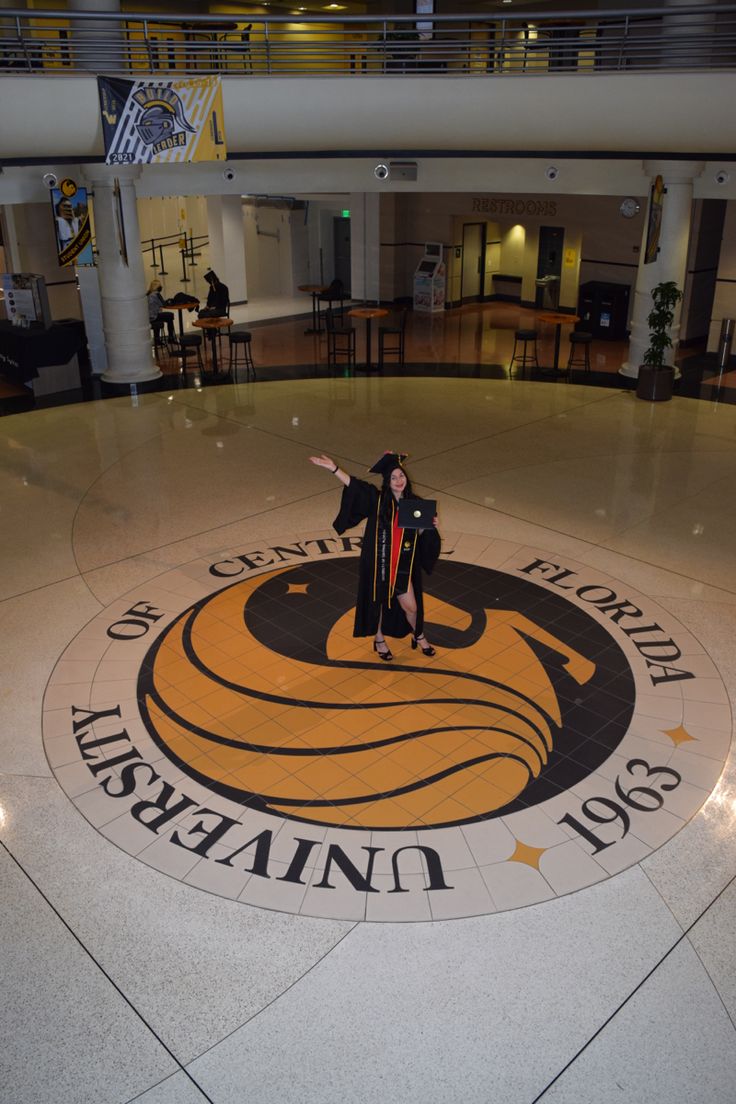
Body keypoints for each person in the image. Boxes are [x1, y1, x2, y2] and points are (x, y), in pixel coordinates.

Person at [309, 450, 440, 660]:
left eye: (402, 476)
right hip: (378, 564)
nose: (399, 481)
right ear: (387, 481)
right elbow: (355, 486)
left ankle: (419, 634)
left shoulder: (415, 504)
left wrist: (429, 527)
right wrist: (334, 469)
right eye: (393, 477)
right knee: (375, 606)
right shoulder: (377, 500)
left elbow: (423, 538)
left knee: (411, 607)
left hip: (401, 567)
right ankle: (379, 640)